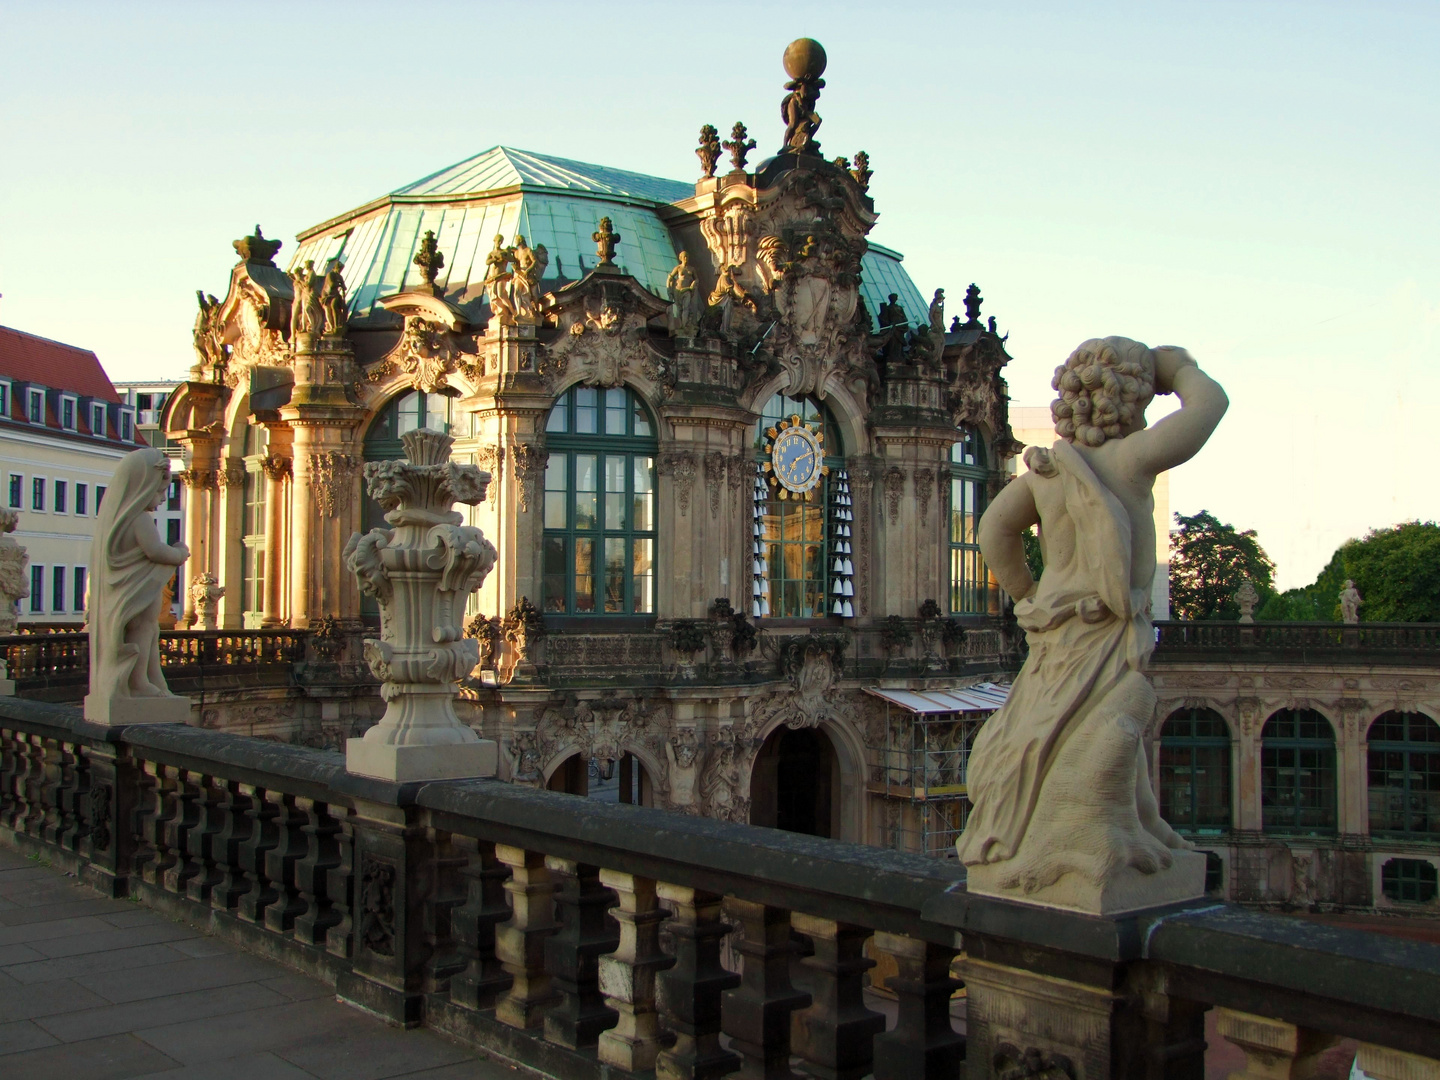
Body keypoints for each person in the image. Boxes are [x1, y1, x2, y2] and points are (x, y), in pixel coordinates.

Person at [955, 338, 1228, 895]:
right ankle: (1095, 832)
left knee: (1061, 726)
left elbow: (992, 532)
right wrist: (1180, 370)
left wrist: (1029, 596)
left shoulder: (1046, 474)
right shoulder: (1131, 459)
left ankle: (1135, 819)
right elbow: (1209, 408)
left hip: (1057, 628)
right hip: (1105, 622)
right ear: (1132, 399)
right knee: (1115, 712)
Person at [87, 449, 190, 702]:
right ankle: (138, 681)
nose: (163, 498)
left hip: (132, 594)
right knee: (144, 630)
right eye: (159, 490)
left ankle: (152, 679)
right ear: (142, 487)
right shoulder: (139, 519)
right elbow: (155, 551)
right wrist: (179, 553)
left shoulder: (117, 521)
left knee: (149, 631)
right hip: (137, 595)